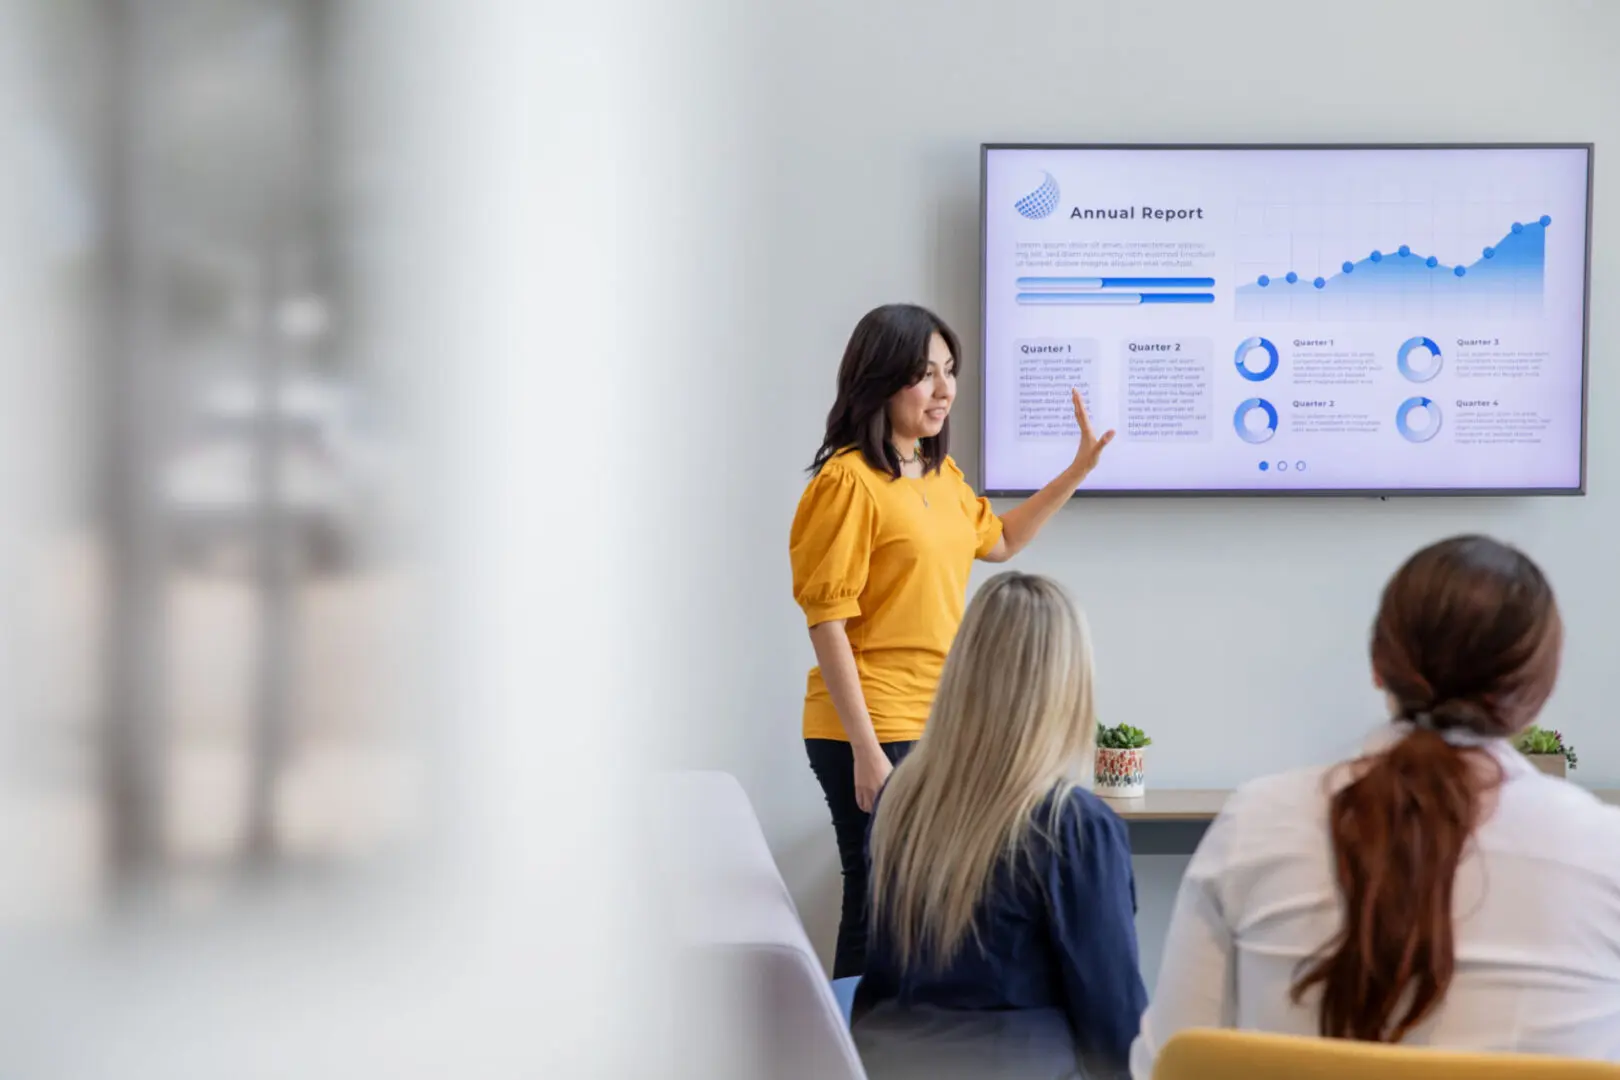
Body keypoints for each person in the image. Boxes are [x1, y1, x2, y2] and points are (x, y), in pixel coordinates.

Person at [1131, 534, 1620, 1077]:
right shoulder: (1605, 850)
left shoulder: (1258, 823)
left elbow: (1166, 1064)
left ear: (1378, 666)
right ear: (1540, 687)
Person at [789, 302, 1113, 978]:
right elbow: (827, 622)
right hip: (870, 723)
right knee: (878, 901)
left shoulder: (940, 475)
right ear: (880, 382)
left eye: (949, 371)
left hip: (937, 721)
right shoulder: (847, 483)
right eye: (925, 375)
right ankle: (855, 1053)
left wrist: (1076, 469)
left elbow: (1001, 539)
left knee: (920, 905)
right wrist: (867, 751)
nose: (944, 390)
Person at [852, 571, 1146, 1080]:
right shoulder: (1073, 825)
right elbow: (1113, 1019)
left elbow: (878, 979)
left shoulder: (901, 801)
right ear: (1066, 687)